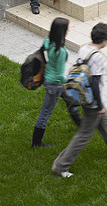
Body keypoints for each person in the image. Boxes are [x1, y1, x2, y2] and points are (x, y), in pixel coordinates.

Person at [52, 23, 107, 178]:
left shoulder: (84, 49)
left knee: (106, 123)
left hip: (82, 95)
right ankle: (60, 166)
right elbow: (95, 83)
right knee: (84, 135)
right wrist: (99, 106)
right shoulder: (98, 57)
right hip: (92, 102)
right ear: (104, 40)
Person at [32, 17, 69, 147]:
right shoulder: (61, 51)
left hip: (48, 80)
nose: (69, 30)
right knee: (45, 113)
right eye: (67, 28)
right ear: (63, 32)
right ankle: (36, 142)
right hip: (55, 84)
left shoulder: (48, 42)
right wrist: (69, 82)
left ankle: (79, 121)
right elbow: (59, 75)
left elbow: (43, 52)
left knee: (70, 100)